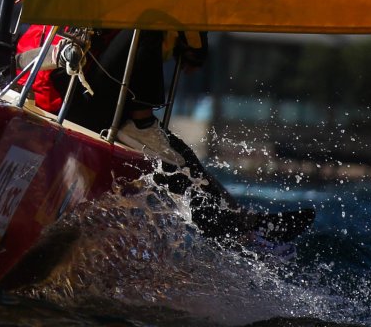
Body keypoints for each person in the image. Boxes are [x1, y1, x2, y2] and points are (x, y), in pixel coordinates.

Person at [16, 25, 316, 244]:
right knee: (147, 21)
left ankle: (244, 225)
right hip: (69, 102)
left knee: (181, 156)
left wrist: (196, 45)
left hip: (90, 99)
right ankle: (142, 125)